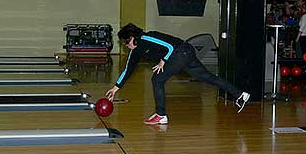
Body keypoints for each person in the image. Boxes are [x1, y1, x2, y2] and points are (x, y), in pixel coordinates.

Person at [106, 23, 251, 125]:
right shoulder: (135, 51)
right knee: (207, 77)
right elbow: (127, 69)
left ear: (132, 37)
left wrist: (163, 60)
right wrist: (115, 88)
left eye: (126, 42)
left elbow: (170, 46)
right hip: (183, 54)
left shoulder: (146, 37)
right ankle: (240, 95)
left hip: (181, 51)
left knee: (157, 80)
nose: (126, 45)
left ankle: (161, 115)